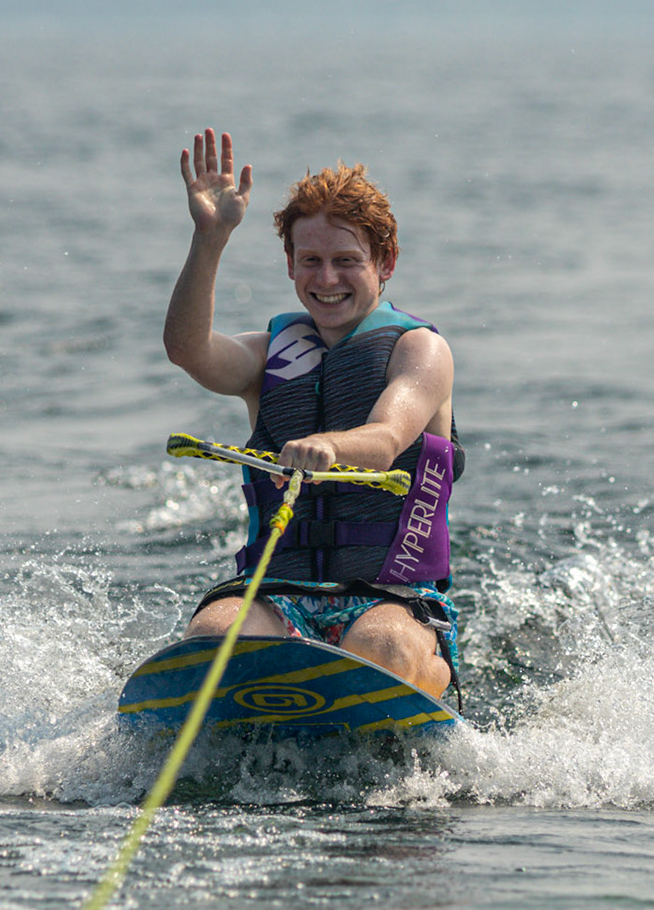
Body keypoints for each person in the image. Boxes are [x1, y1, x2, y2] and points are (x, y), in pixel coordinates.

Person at [164, 128, 464, 698]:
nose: (327, 279)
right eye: (312, 261)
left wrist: (329, 445)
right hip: (279, 591)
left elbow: (386, 438)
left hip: (392, 595)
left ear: (386, 261)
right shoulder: (267, 357)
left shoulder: (421, 351)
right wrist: (210, 239)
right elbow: (188, 350)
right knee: (211, 639)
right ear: (290, 263)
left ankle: (434, 671)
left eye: (346, 261)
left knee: (381, 648)